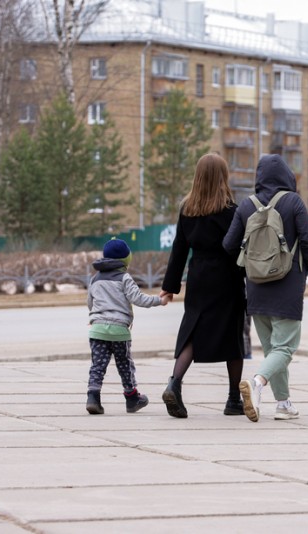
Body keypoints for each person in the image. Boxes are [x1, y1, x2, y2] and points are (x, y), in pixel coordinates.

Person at [223, 154, 308, 422]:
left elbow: (229, 246)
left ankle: (284, 404)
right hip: (287, 284)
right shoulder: (293, 201)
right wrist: (304, 269)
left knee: (273, 350)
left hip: (256, 287)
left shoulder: (245, 206)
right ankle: (256, 383)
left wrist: (251, 267)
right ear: (287, 175)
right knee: (284, 349)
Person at [160, 153, 246, 418]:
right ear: (223, 176)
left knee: (193, 331)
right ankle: (233, 399)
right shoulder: (231, 210)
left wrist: (170, 286)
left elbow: (179, 248)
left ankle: (174, 383)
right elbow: (236, 248)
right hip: (226, 278)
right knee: (233, 333)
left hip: (198, 276)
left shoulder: (187, 208)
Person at [86, 238, 170, 415]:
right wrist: (159, 301)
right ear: (126, 259)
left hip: (97, 330)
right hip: (118, 331)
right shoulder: (124, 278)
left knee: (97, 366)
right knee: (124, 365)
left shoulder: (95, 279)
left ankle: (93, 397)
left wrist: (96, 317)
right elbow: (138, 298)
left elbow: (90, 302)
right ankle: (132, 398)